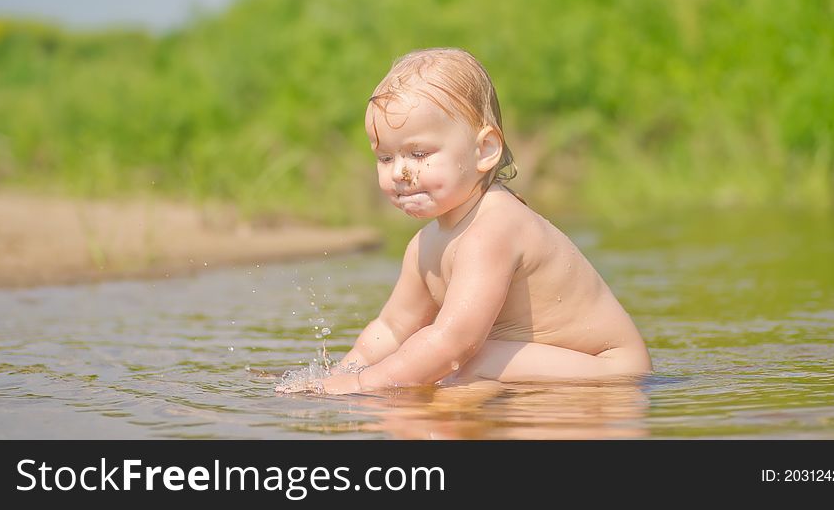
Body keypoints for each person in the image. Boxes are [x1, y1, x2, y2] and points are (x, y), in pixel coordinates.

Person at [277, 48, 651, 395]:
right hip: (545, 367)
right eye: (385, 158)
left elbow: (455, 343)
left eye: (419, 153)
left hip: (612, 372)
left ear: (484, 151)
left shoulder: (493, 228)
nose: (401, 173)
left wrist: (364, 386)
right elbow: (391, 329)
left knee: (465, 362)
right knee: (437, 370)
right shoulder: (424, 246)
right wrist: (339, 375)